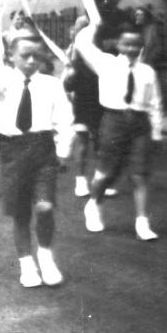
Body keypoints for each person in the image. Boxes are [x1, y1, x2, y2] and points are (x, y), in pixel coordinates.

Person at [0, 29, 74, 287]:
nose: (31, 61)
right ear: (11, 56)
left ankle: (46, 257)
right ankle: (26, 264)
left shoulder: (51, 84)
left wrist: (63, 151)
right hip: (12, 151)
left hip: (42, 151)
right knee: (20, 214)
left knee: (45, 206)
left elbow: (65, 117)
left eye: (36, 57)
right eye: (25, 56)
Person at [73, 18, 163, 240]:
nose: (132, 48)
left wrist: (157, 133)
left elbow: (156, 104)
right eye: (127, 44)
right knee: (107, 171)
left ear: (141, 46)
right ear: (118, 45)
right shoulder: (106, 63)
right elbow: (82, 43)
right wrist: (94, 25)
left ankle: (142, 222)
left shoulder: (147, 72)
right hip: (113, 121)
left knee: (140, 174)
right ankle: (93, 204)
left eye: (136, 44)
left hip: (140, 124)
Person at [62, 15, 103, 198]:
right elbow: (68, 84)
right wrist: (70, 75)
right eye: (80, 26)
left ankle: (99, 179)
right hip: (82, 101)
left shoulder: (98, 52)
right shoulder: (75, 53)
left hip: (99, 101)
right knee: (83, 141)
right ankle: (80, 180)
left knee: (100, 142)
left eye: (86, 26)